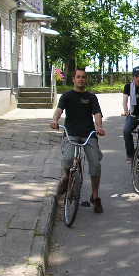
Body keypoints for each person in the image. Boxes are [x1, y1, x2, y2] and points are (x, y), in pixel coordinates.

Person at [51, 68, 106, 213]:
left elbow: (97, 113)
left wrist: (99, 127)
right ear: (73, 79)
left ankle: (95, 196)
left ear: (86, 79)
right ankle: (66, 178)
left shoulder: (91, 97)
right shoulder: (67, 96)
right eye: (78, 77)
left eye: (83, 77)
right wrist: (55, 120)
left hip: (89, 134)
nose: (81, 79)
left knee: (95, 164)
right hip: (71, 133)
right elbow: (59, 110)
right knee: (67, 159)